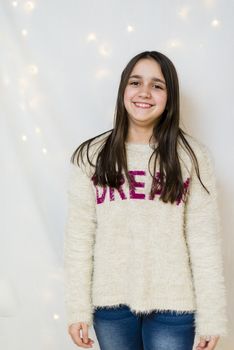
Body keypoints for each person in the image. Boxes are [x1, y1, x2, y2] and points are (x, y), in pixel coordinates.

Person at [63, 51, 228, 350]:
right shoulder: (91, 156)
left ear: (170, 97)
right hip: (110, 306)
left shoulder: (192, 156)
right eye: (135, 82)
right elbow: (79, 239)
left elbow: (203, 242)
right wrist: (77, 309)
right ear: (123, 90)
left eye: (157, 85)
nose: (144, 92)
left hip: (174, 306)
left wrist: (212, 316)